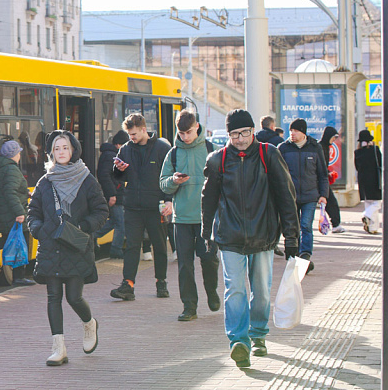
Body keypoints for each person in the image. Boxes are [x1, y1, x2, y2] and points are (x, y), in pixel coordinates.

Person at [202, 109, 299, 368]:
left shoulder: (269, 154)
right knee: (235, 289)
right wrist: (206, 234)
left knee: (262, 291)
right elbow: (208, 199)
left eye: (244, 133)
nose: (240, 139)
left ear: (252, 131)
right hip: (229, 236)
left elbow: (286, 197)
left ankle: (258, 334)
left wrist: (292, 237)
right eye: (234, 134)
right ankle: (238, 341)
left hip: (263, 235)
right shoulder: (218, 160)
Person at [27, 130, 108, 366]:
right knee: (53, 297)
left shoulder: (87, 179)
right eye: (56, 149)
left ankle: (89, 323)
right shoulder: (45, 182)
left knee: (74, 297)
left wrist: (83, 226)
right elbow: (33, 213)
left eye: (65, 148)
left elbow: (102, 212)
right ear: (51, 153)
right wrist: (40, 231)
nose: (61, 152)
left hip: (76, 247)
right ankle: (58, 348)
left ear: (73, 150)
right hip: (51, 248)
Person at [160, 110, 220, 322]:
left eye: (188, 132)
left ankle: (211, 292)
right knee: (185, 265)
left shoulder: (211, 149)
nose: (185, 136)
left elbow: (224, 180)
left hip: (207, 217)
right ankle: (189, 306)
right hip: (181, 218)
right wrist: (173, 181)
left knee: (209, 260)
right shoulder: (173, 153)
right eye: (181, 133)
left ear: (196, 127)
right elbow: (162, 182)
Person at [110, 113, 173, 301]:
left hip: (156, 206)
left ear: (144, 130)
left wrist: (169, 199)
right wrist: (118, 170)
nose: (131, 138)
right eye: (129, 135)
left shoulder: (163, 148)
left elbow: (169, 175)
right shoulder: (126, 150)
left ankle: (161, 281)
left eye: (134, 134)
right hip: (133, 206)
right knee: (132, 246)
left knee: (160, 246)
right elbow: (119, 177)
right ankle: (128, 284)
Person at [278, 118, 328, 273]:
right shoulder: (283, 148)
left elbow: (322, 174)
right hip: (289, 196)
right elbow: (277, 172)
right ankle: (295, 256)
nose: (292, 134)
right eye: (291, 130)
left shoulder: (315, 147)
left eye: (296, 131)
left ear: (303, 132)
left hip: (310, 195)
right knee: (293, 227)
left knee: (305, 226)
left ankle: (305, 255)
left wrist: (323, 194)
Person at [0, 140, 35, 285]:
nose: (19, 155)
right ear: (14, 154)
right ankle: (19, 276)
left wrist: (25, 193)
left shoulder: (3, 168)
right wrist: (20, 212)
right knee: (20, 241)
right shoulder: (12, 170)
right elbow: (10, 192)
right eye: (18, 153)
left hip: (5, 211)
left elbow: (11, 189)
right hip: (12, 213)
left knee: (8, 241)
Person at [95, 130, 130, 259]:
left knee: (115, 221)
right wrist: (112, 194)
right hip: (115, 194)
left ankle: (92, 235)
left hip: (117, 192)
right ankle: (116, 250)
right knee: (121, 223)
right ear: (119, 145)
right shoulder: (111, 156)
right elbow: (104, 176)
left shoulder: (110, 155)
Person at [355, 129, 382, 234]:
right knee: (376, 204)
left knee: (368, 203)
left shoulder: (357, 152)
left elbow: (357, 167)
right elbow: (380, 163)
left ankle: (372, 228)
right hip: (375, 180)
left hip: (363, 182)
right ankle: (367, 215)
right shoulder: (375, 150)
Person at [319, 127, 345, 233]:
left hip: (322, 178)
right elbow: (320, 165)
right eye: (333, 138)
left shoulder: (325, 147)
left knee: (330, 202)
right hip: (319, 180)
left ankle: (335, 224)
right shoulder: (321, 147)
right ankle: (335, 224)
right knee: (331, 202)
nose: (334, 140)